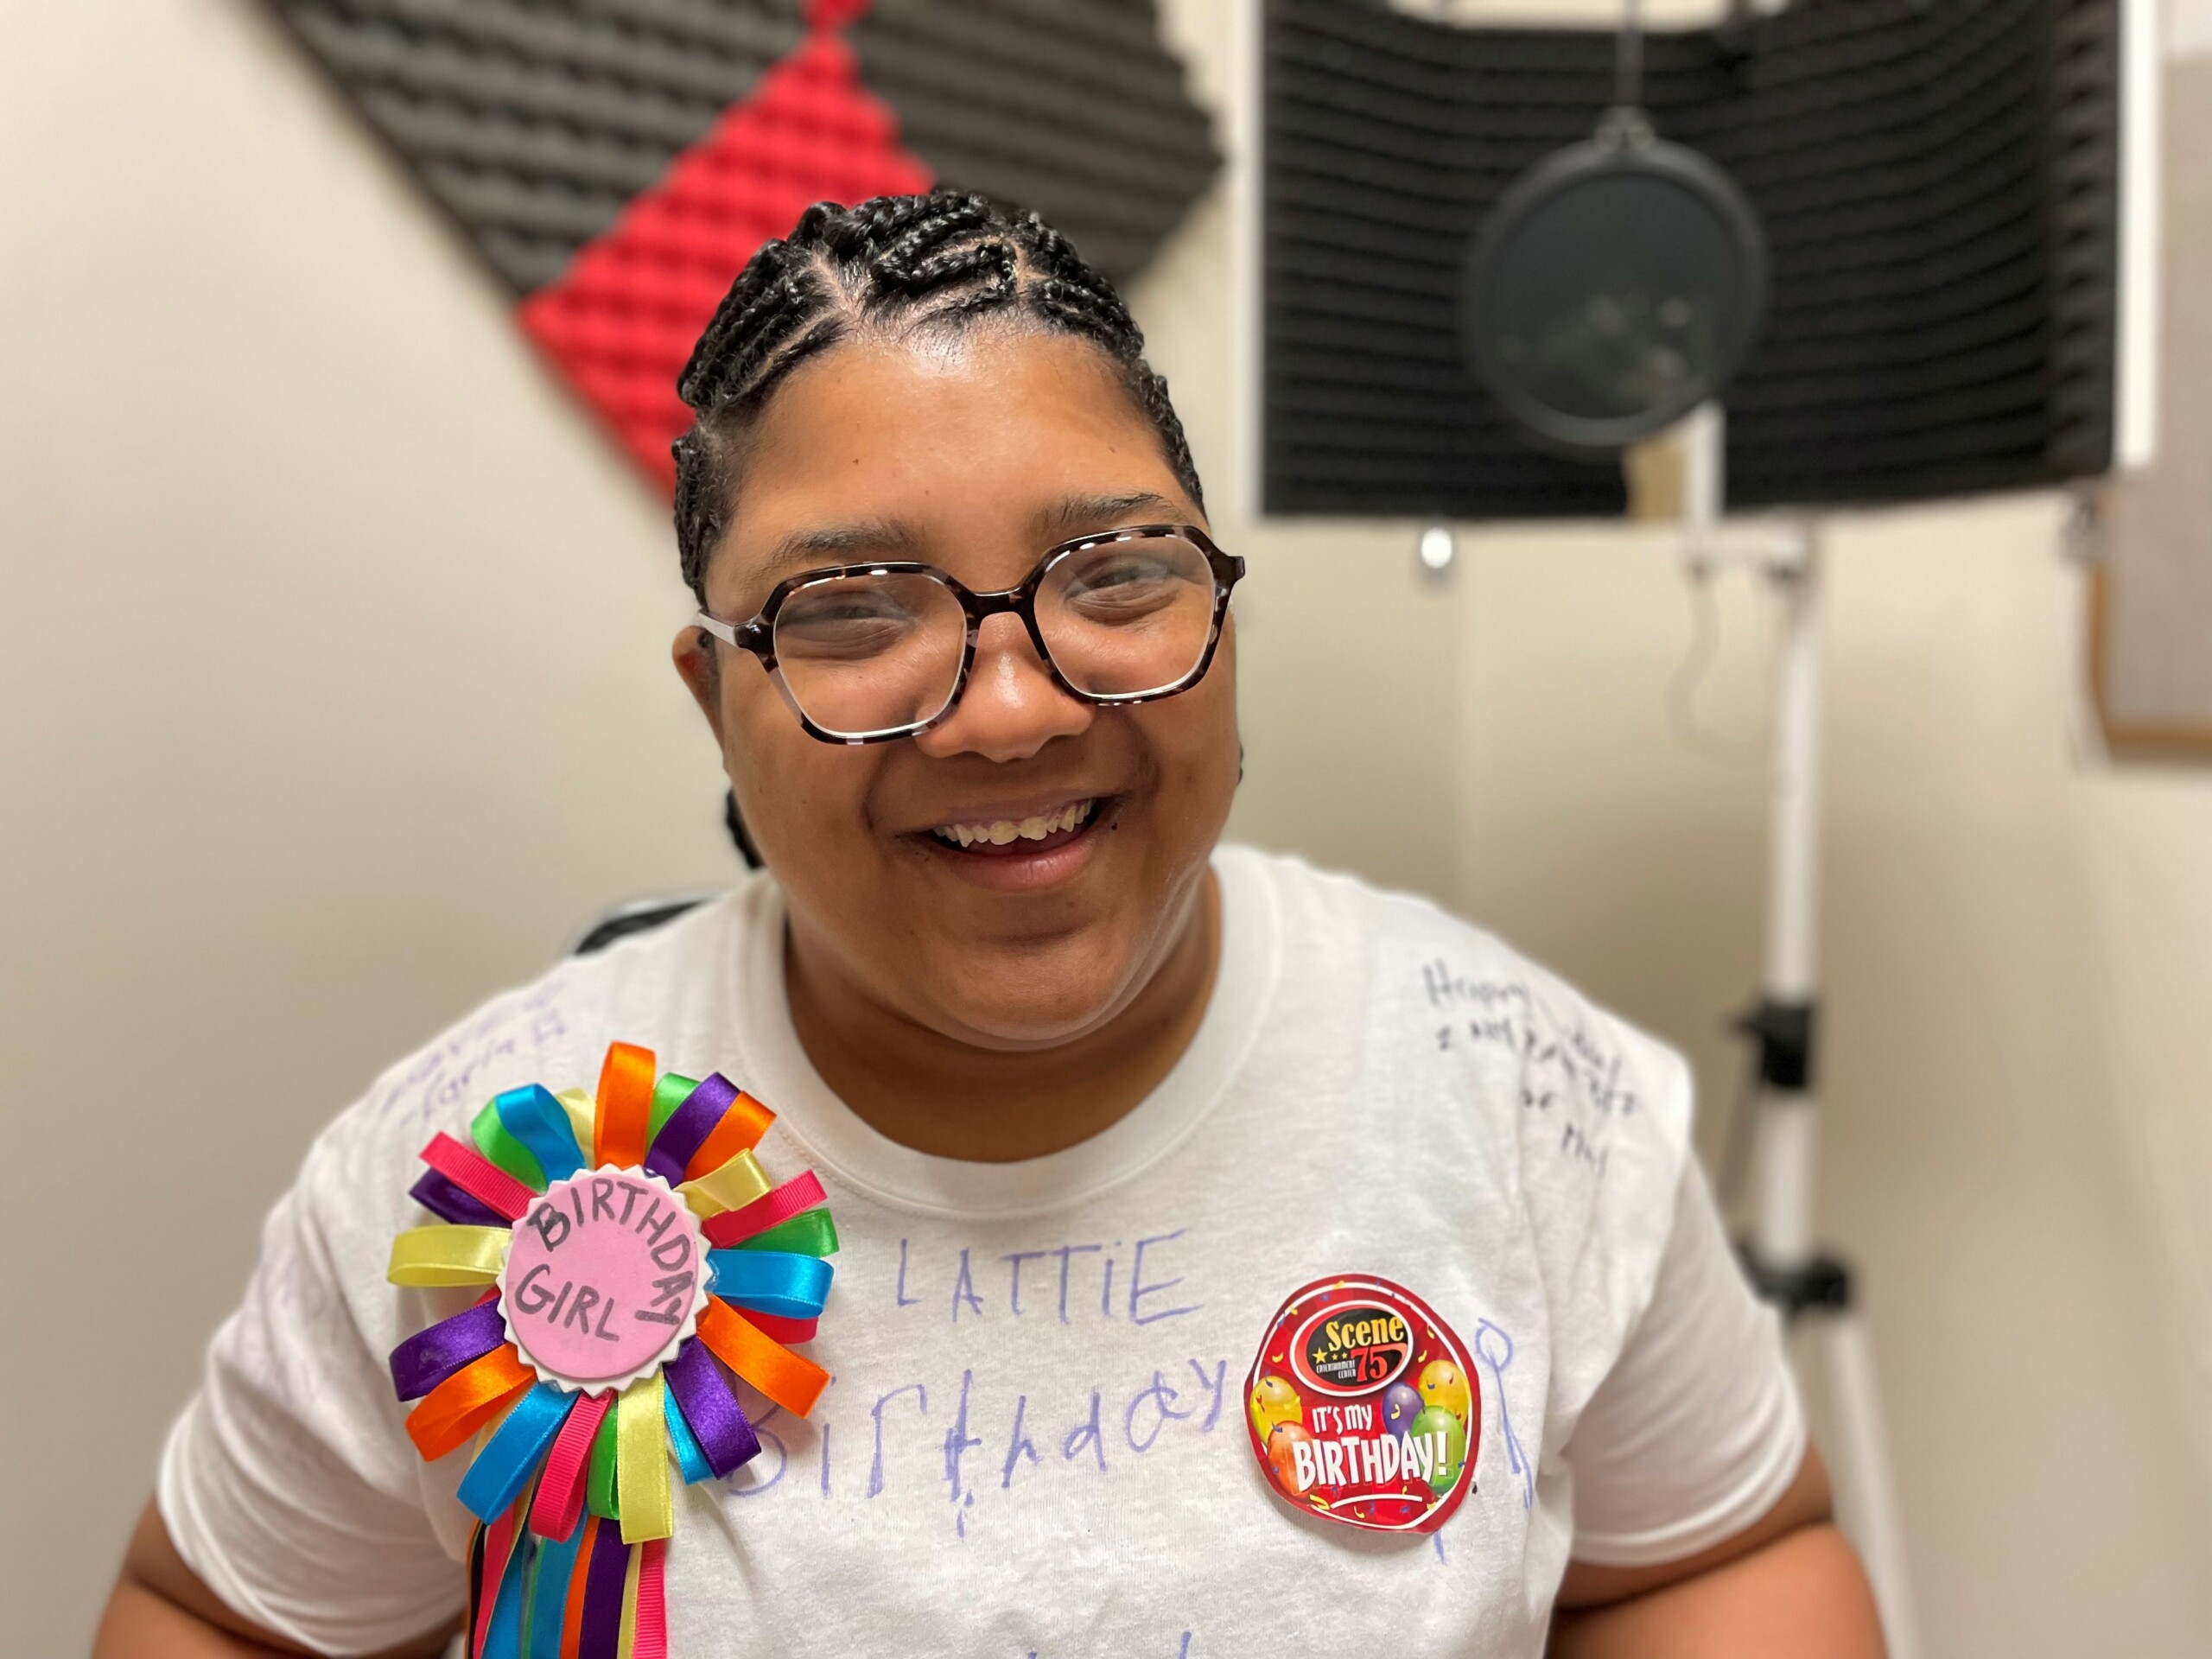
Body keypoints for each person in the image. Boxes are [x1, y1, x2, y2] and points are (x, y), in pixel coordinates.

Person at [95, 191, 1883, 1658]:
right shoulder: (455, 1171)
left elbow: (1711, 1554)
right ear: (714, 700)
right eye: (854, 609)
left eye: (1113, 573)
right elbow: (225, 1615)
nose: (1011, 709)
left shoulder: (1523, 1099)